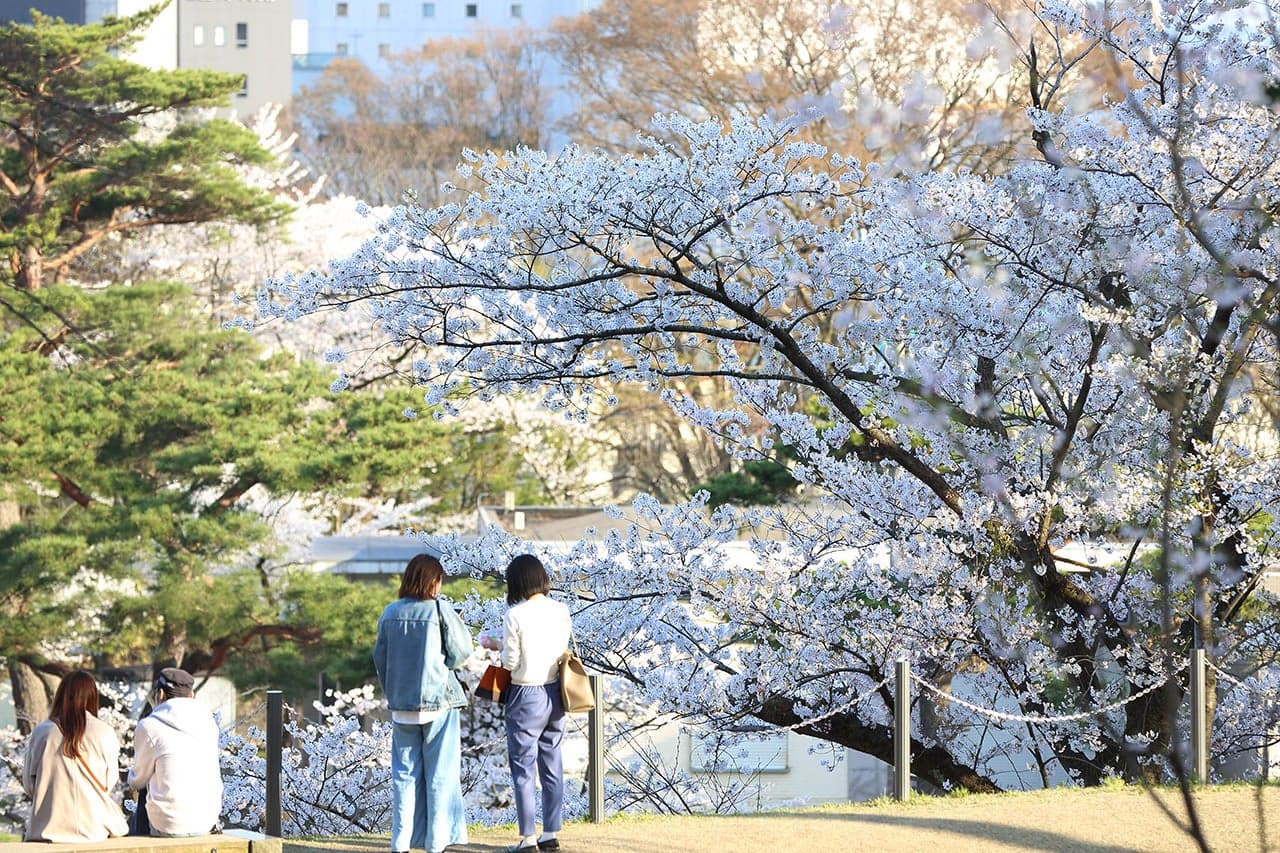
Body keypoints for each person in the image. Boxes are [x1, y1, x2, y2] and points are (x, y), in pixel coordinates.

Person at [374, 553, 474, 853]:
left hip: (402, 707)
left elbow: (380, 658)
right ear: (435, 581)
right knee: (440, 774)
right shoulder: (440, 610)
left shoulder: (390, 613)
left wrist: (394, 689)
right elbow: (461, 654)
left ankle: (401, 842)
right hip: (438, 704)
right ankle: (435, 841)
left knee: (403, 776)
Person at [501, 553, 572, 853]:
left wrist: (495, 647)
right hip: (556, 691)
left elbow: (510, 662)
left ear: (516, 582)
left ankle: (528, 838)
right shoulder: (561, 610)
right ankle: (550, 834)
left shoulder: (515, 615)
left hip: (525, 694)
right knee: (552, 763)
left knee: (523, 768)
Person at [21, 670, 129, 842]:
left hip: (46, 828)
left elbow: (29, 784)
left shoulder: (42, 732)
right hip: (93, 827)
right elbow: (108, 782)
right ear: (93, 697)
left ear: (62, 695)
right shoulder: (104, 732)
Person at [127, 667, 223, 836]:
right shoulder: (208, 722)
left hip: (169, 824)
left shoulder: (149, 726)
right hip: (206, 819)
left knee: (145, 790)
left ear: (161, 694)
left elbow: (137, 781)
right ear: (191, 695)